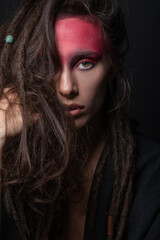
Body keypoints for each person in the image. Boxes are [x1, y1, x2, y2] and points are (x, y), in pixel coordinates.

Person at [0, 0, 160, 240]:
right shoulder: (12, 169)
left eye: (85, 63)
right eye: (47, 64)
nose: (66, 88)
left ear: (111, 66)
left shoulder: (152, 178)